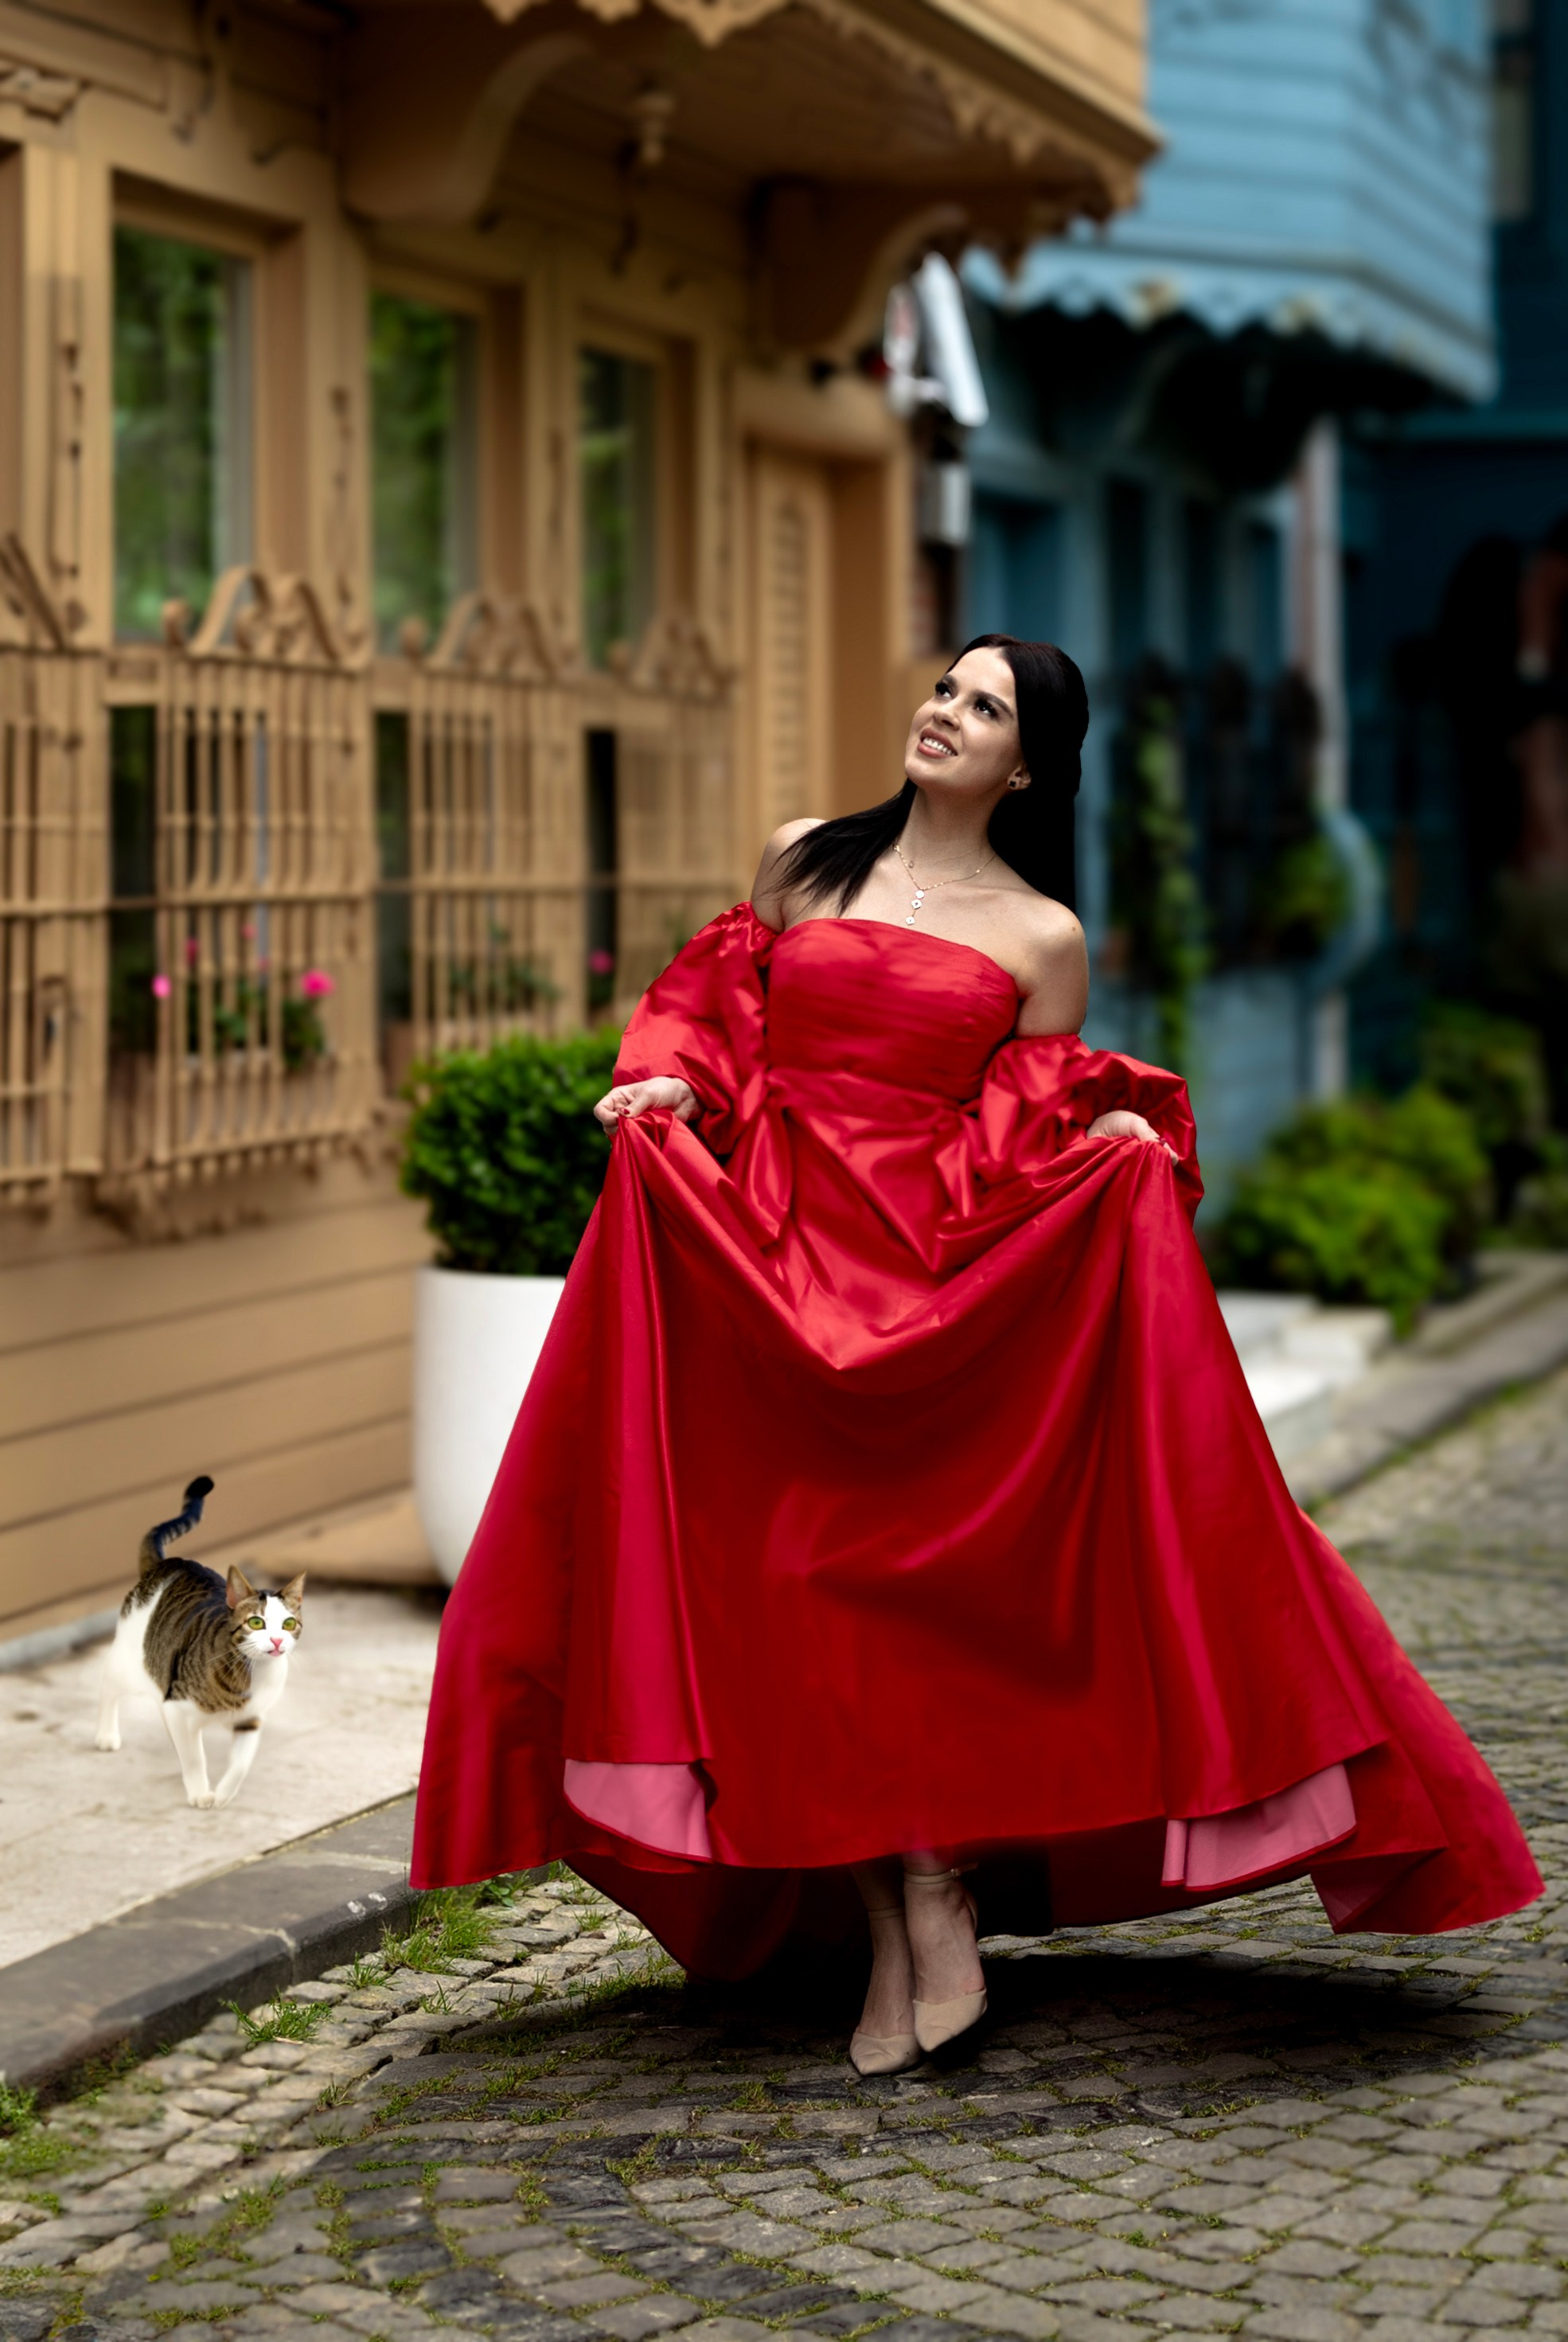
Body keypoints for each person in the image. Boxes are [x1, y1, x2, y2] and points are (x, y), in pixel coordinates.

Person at [412, 634, 1540, 2074]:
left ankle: (924, 1906)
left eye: (986, 706)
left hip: (925, 1298)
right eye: (946, 687)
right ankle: (905, 1917)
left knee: (894, 1618)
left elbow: (1021, 1120)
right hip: (765, 1277)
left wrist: (1109, 1138)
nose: (946, 712)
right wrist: (665, 1082)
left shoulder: (1039, 935)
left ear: (1028, 765)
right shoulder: (804, 860)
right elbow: (721, 1023)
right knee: (792, 1604)